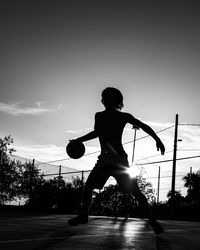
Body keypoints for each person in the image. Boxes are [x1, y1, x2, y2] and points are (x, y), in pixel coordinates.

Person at [68, 87, 165, 235]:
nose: (106, 98)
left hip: (119, 160)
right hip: (104, 160)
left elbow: (143, 125)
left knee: (136, 192)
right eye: (104, 96)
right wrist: (78, 140)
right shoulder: (99, 116)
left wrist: (157, 139)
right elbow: (97, 132)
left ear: (117, 99)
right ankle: (84, 215)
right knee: (87, 187)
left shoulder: (123, 116)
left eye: (110, 96)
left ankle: (152, 220)